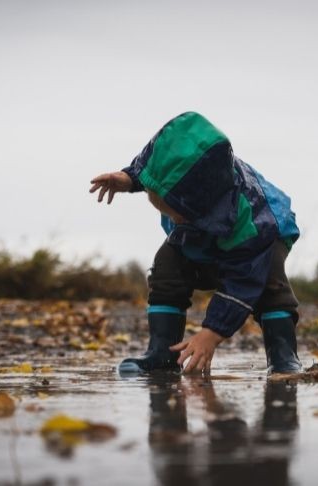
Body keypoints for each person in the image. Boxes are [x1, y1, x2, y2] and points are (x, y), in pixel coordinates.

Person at [89, 111, 301, 374]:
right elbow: (160, 169)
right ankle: (162, 354)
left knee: (270, 285)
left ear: (198, 201)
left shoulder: (251, 226)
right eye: (156, 198)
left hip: (265, 235)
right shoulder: (183, 184)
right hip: (202, 229)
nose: (171, 218)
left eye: (174, 210)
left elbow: (242, 281)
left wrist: (210, 334)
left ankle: (283, 357)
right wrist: (131, 179)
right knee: (167, 266)